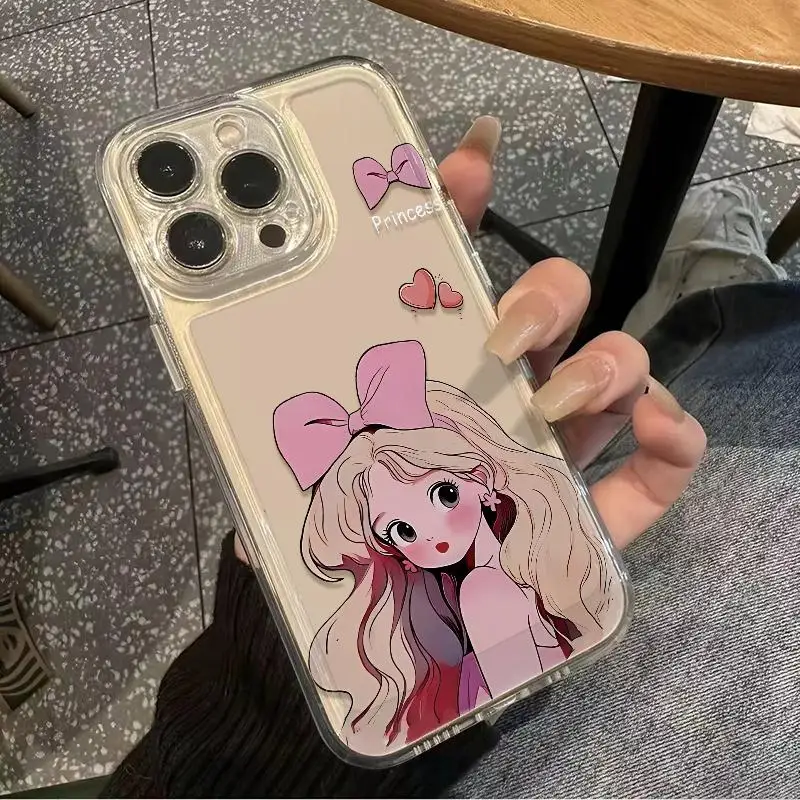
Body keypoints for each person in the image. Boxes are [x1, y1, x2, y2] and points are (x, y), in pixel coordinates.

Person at [105, 118, 797, 797]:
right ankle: (723, 295)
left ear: (484, 476)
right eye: (399, 530)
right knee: (768, 382)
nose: (431, 536)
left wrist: (272, 647)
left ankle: (720, 303)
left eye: (441, 493)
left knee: (750, 379)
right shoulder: (457, 602)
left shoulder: (470, 594)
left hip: (240, 742)